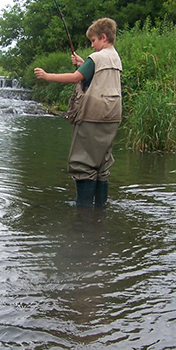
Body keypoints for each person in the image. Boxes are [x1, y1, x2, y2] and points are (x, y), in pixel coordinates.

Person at [34, 18, 122, 208]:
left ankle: (83, 212)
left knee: (83, 163)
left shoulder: (97, 57)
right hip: (112, 117)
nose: (92, 45)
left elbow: (76, 77)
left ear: (104, 37)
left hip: (93, 116)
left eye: (93, 41)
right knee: (102, 163)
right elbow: (98, 74)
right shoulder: (115, 57)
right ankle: (100, 209)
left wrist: (47, 76)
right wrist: (83, 62)